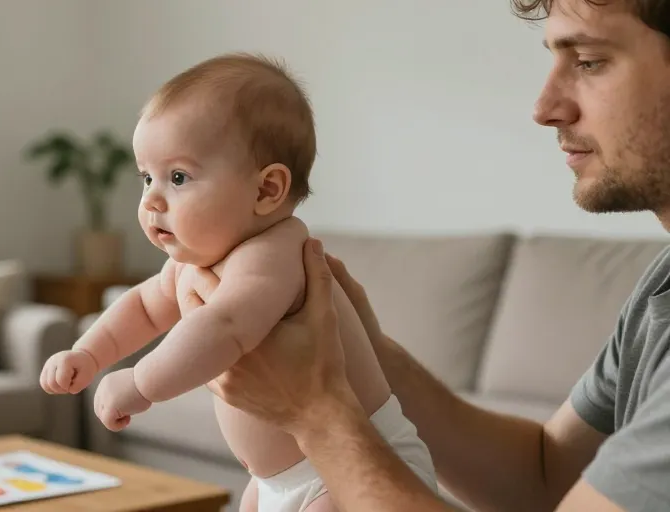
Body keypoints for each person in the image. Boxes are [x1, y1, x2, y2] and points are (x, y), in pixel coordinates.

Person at [199, 0, 670, 511]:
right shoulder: (659, 286)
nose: (544, 107)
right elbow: (544, 476)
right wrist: (361, 355)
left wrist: (315, 412)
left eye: (588, 61)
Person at [39, 53, 437, 511]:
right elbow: (144, 307)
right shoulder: (197, 260)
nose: (151, 199)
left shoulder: (276, 252)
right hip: (279, 479)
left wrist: (140, 383)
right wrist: (90, 353)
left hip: (365, 464)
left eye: (178, 177)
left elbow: (224, 327)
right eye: (147, 177)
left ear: (267, 190)